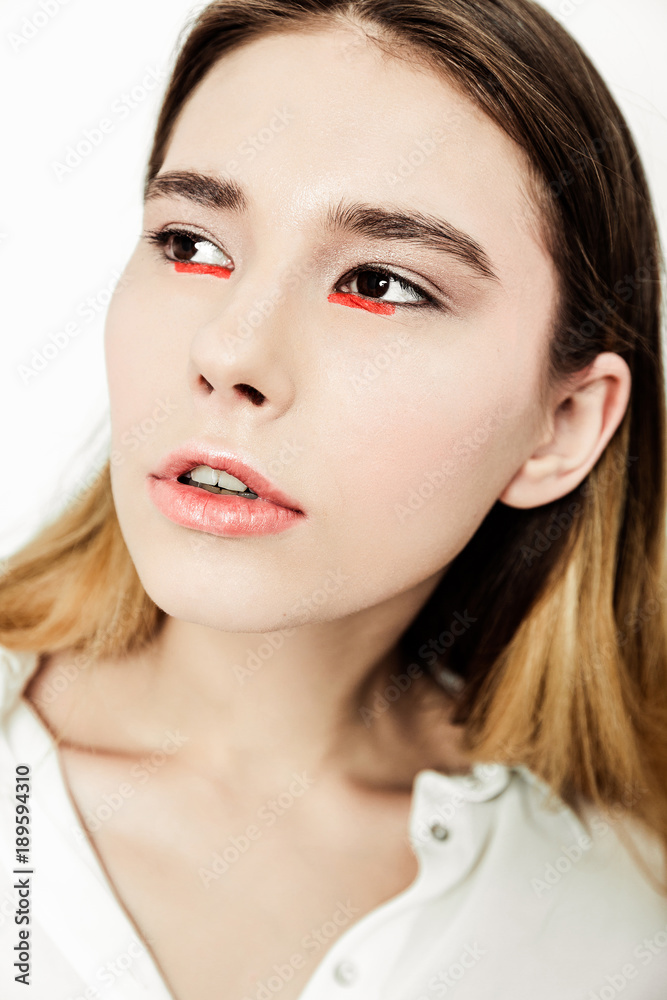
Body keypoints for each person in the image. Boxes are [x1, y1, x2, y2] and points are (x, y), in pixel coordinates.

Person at [1, 0, 667, 997]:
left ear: (563, 424)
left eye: (383, 282)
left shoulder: (621, 913)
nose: (229, 350)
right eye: (190, 244)